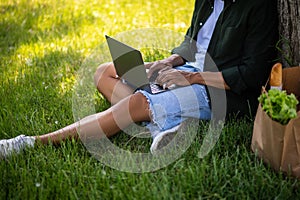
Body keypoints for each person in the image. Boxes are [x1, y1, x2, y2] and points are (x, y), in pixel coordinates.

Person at [0, 0, 278, 158]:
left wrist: (192, 79)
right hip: (188, 70)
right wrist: (170, 62)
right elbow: (192, 41)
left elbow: (251, 75)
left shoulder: (257, 6)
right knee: (104, 72)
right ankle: (161, 126)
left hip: (219, 91)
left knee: (136, 102)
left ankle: (31, 142)